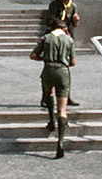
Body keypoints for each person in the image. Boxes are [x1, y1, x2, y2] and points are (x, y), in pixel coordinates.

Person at [30, 18, 76, 159]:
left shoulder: (46, 38)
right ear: (63, 29)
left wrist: (45, 59)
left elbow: (33, 55)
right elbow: (73, 62)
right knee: (62, 109)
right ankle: (60, 143)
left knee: (49, 92)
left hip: (48, 70)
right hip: (62, 71)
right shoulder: (69, 40)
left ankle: (51, 121)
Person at [45, 0, 81, 106]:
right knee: (49, 67)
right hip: (54, 37)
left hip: (66, 39)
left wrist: (76, 21)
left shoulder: (73, 7)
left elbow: (74, 25)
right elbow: (50, 20)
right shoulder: (55, 4)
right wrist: (61, 27)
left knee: (66, 67)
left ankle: (67, 96)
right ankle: (46, 97)